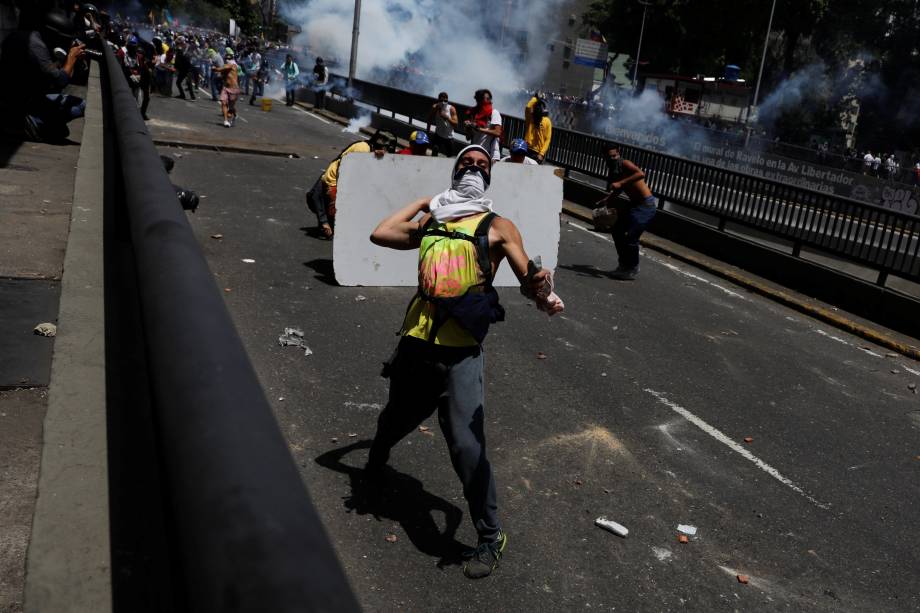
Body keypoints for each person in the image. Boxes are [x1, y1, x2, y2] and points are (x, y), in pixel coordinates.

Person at [366, 144, 562, 580]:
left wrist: (542, 291)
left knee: (467, 447)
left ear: (489, 179)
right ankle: (374, 466)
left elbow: (528, 278)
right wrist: (423, 202)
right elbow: (380, 234)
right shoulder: (432, 220)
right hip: (417, 342)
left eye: (481, 166)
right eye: (466, 164)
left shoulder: (498, 227)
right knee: (394, 419)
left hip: (460, 354)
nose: (473, 169)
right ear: (454, 172)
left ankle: (490, 536)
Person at [0, 9, 87, 141]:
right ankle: (26, 127)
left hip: (18, 101)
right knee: (73, 115)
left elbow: (45, 78)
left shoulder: (29, 37)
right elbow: (61, 81)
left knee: (69, 115)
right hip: (20, 110)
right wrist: (71, 58)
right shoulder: (37, 47)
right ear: (55, 35)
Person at [308, 131, 395, 238]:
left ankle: (327, 223)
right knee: (326, 206)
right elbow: (350, 172)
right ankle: (327, 223)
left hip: (341, 180)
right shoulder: (362, 148)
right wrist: (324, 222)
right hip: (336, 181)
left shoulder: (370, 150)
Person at [598, 142, 657, 280]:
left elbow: (640, 174)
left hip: (645, 206)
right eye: (610, 156)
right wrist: (608, 199)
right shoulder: (613, 168)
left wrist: (621, 183)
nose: (613, 158)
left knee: (631, 236)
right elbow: (619, 188)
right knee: (617, 231)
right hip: (634, 204)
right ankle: (623, 265)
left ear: (618, 153)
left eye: (615, 155)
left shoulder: (625, 163)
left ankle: (632, 267)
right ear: (604, 156)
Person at [464, 89, 502, 161]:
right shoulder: (473, 114)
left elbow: (497, 132)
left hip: (491, 153)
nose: (488, 101)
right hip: (475, 151)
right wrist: (468, 128)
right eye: (486, 99)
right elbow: (468, 137)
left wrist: (478, 129)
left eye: (489, 98)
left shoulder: (494, 113)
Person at [426, 92, 458, 157]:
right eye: (441, 100)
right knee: (434, 154)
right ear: (438, 100)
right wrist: (428, 132)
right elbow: (429, 119)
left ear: (447, 100)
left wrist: (447, 118)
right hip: (438, 135)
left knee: (450, 156)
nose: (443, 102)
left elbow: (456, 124)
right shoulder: (435, 107)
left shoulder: (451, 109)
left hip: (449, 137)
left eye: (445, 101)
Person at [523, 94, 552, 164]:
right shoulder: (530, 118)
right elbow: (528, 107)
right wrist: (536, 98)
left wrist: (541, 154)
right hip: (526, 149)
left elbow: (548, 139)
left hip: (537, 153)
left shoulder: (547, 121)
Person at [217, 49, 240, 127]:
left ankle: (234, 114)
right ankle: (226, 121)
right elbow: (222, 75)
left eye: (229, 59)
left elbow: (220, 69)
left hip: (234, 88)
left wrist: (216, 69)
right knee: (223, 103)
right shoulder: (226, 66)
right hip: (226, 87)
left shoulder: (233, 65)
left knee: (231, 107)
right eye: (226, 59)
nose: (227, 60)